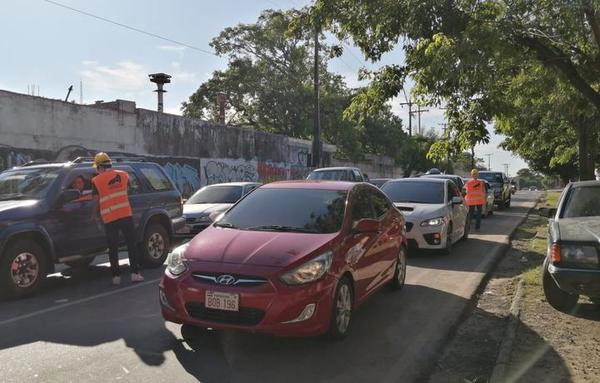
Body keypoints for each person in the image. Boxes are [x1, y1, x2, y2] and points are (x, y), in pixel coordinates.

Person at [91, 152, 143, 285]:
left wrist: (93, 214)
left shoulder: (97, 180)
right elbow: (127, 191)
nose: (97, 171)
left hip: (109, 218)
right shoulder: (123, 175)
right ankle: (135, 274)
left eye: (97, 168)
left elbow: (96, 200)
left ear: (101, 167)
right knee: (131, 244)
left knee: (113, 247)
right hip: (125, 214)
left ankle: (116, 277)